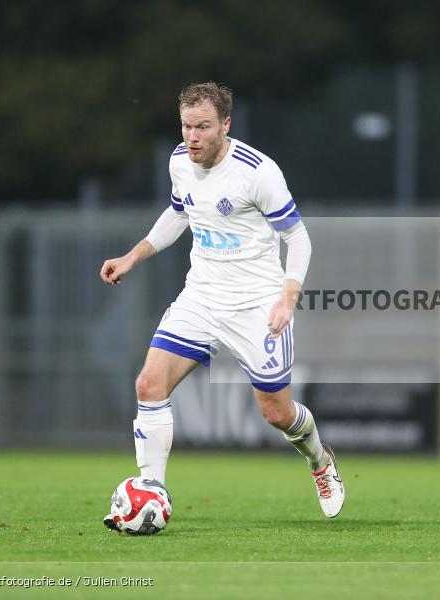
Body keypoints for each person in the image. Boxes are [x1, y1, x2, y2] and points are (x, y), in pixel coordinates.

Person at [99, 82, 344, 528]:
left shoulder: (258, 172)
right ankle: (152, 497)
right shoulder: (179, 161)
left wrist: (288, 300)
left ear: (225, 125)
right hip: (203, 296)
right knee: (149, 385)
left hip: (257, 305)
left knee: (276, 413)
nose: (192, 137)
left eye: (203, 127)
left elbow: (298, 237)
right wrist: (132, 257)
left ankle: (319, 460)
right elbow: (179, 214)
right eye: (186, 126)